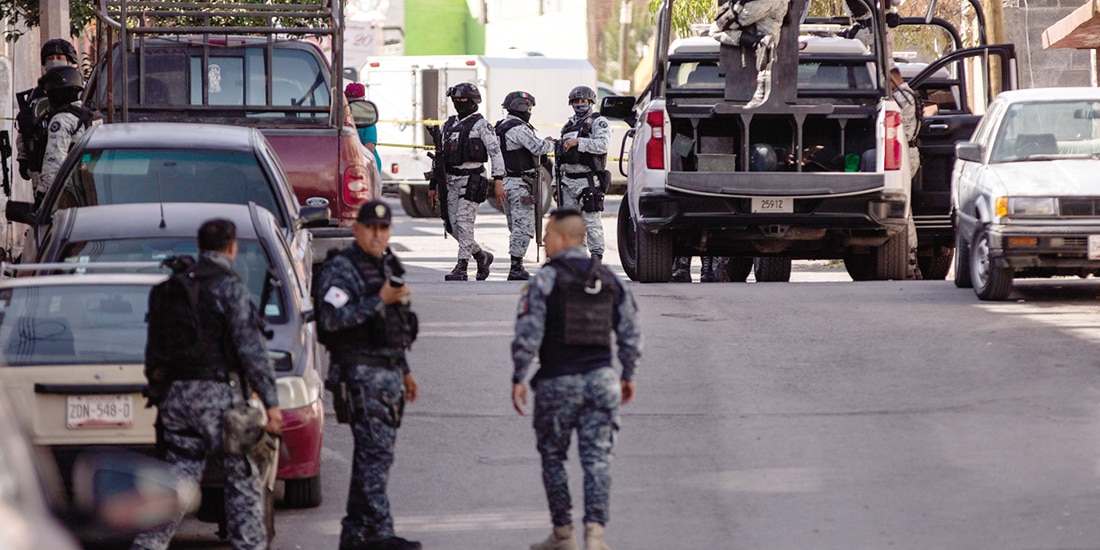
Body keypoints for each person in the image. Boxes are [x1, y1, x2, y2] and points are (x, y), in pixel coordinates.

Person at [132, 219, 283, 550]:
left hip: (175, 401)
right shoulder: (229, 287)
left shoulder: (174, 288)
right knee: (242, 481)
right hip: (219, 402)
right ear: (232, 248)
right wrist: (271, 403)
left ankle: (147, 545)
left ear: (200, 248)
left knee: (177, 484)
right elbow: (251, 350)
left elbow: (155, 349)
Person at [511, 209, 642, 550]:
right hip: (602, 381)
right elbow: (630, 332)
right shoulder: (608, 278)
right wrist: (627, 374)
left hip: (557, 382)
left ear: (564, 238)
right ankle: (596, 536)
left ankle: (563, 534)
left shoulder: (545, 279)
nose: (543, 240)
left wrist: (519, 376)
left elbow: (528, 332)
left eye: (548, 234)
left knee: (553, 458)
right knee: (597, 459)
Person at [314, 200, 422, 550]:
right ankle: (380, 532)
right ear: (357, 229)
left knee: (375, 457)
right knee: (374, 455)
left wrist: (404, 370)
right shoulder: (342, 270)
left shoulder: (387, 263)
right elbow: (331, 319)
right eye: (371, 228)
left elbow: (395, 323)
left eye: (384, 229)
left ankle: (355, 533)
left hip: (388, 374)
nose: (378, 235)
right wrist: (379, 299)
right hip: (359, 376)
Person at [427, 82, 506, 281]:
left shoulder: (482, 125)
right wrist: (433, 185)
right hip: (450, 180)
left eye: (462, 100)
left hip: (472, 178)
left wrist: (498, 180)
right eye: (455, 100)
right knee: (451, 225)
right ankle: (481, 256)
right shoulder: (448, 124)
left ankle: (462, 266)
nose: (458, 103)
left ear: (472, 101)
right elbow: (439, 157)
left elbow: (496, 153)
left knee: (464, 221)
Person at [494, 90, 555, 280]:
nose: (530, 111)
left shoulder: (500, 127)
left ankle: (516, 263)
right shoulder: (518, 128)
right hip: (520, 184)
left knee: (515, 225)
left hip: (506, 182)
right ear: (522, 108)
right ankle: (516, 267)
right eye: (529, 108)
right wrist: (550, 143)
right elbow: (538, 148)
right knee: (523, 225)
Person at [14, 38, 78, 193]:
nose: (54, 61)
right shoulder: (36, 95)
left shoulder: (78, 89)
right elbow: (24, 129)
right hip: (40, 165)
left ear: (69, 61)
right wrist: (23, 158)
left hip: (73, 165)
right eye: (50, 58)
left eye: (59, 57)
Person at [556, 86, 611, 260]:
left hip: (587, 181)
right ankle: (577, 260)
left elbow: (603, 144)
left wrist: (578, 142)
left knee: (591, 223)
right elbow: (559, 157)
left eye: (583, 101)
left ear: (591, 102)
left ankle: (596, 259)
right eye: (576, 102)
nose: (579, 105)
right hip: (567, 182)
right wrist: (554, 185)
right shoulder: (568, 125)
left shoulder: (598, 121)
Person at [35, 65, 97, 206]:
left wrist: (42, 197)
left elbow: (54, 162)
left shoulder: (61, 120)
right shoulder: (89, 115)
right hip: (89, 188)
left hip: (66, 195)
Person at [709, 0, 789, 106]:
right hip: (781, 4)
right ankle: (761, 93)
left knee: (715, 30)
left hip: (759, 4)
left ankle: (757, 41)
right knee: (770, 38)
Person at [888, 66, 923, 280]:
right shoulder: (908, 94)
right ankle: (910, 261)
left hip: (905, 153)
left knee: (905, 209)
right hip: (907, 151)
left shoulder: (902, 96)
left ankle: (910, 259)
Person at [344, 82, 383, 173]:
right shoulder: (342, 119)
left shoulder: (368, 122)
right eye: (348, 102)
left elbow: (369, 149)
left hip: (367, 167)